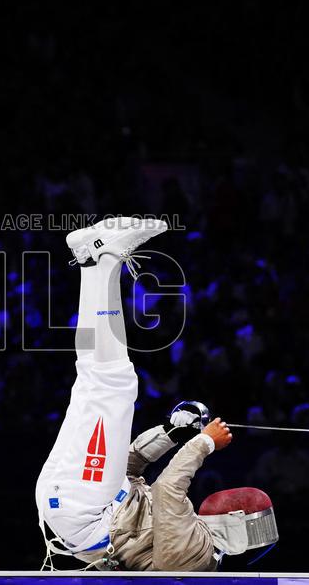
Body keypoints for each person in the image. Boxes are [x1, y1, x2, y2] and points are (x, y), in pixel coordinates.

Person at [35, 217, 277, 571]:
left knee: (112, 384)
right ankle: (93, 261)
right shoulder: (187, 535)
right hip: (82, 503)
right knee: (95, 378)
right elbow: (129, 467)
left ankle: (104, 258)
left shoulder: (199, 559)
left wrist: (203, 444)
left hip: (86, 510)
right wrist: (169, 434)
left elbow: (166, 492)